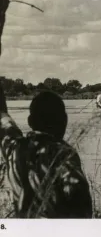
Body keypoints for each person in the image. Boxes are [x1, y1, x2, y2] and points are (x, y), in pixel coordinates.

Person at [0, 86, 93, 218]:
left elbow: (4, 120)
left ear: (30, 122)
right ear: (64, 120)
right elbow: (80, 201)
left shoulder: (14, 149)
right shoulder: (62, 154)